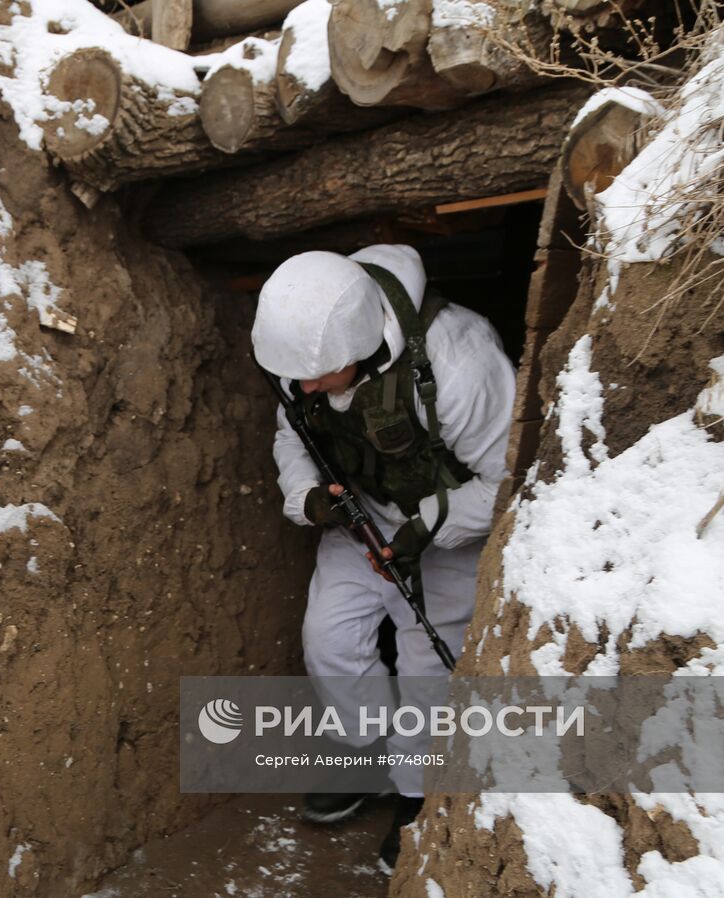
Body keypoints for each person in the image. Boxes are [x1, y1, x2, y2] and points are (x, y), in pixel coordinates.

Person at [251, 244, 515, 872]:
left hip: (449, 524)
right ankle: (367, 752)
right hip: (360, 516)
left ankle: (414, 790)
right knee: (330, 641)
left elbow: (504, 476)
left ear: (363, 347)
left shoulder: (459, 362)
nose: (306, 387)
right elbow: (294, 432)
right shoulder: (310, 354)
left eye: (319, 375)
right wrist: (310, 498)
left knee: (429, 668)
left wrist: (427, 529)